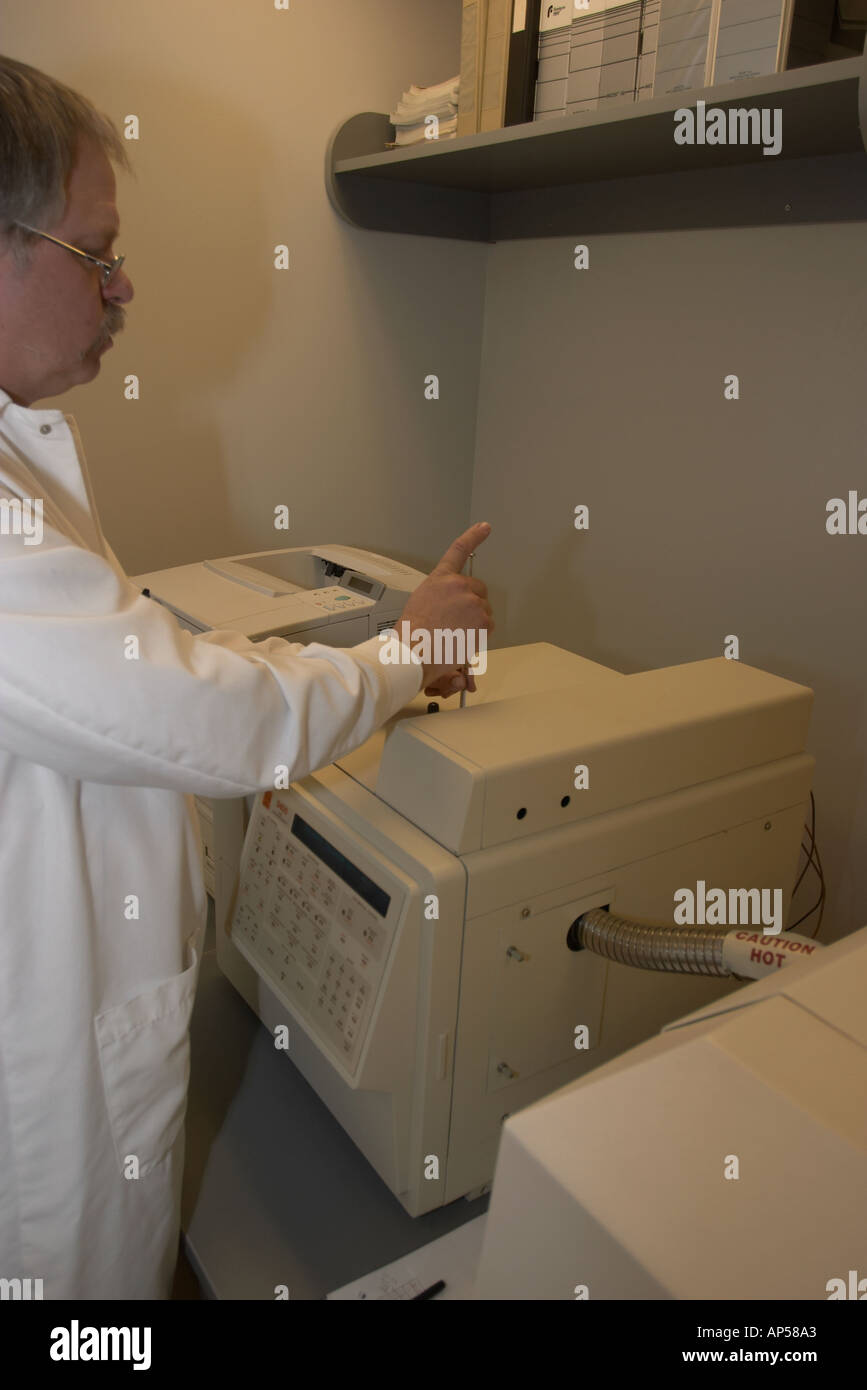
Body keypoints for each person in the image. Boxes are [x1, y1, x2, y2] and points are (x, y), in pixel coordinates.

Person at [0, 55, 493, 1300]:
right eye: (93, 252)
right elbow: (192, 711)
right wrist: (405, 656)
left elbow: (138, 664)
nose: (122, 287)